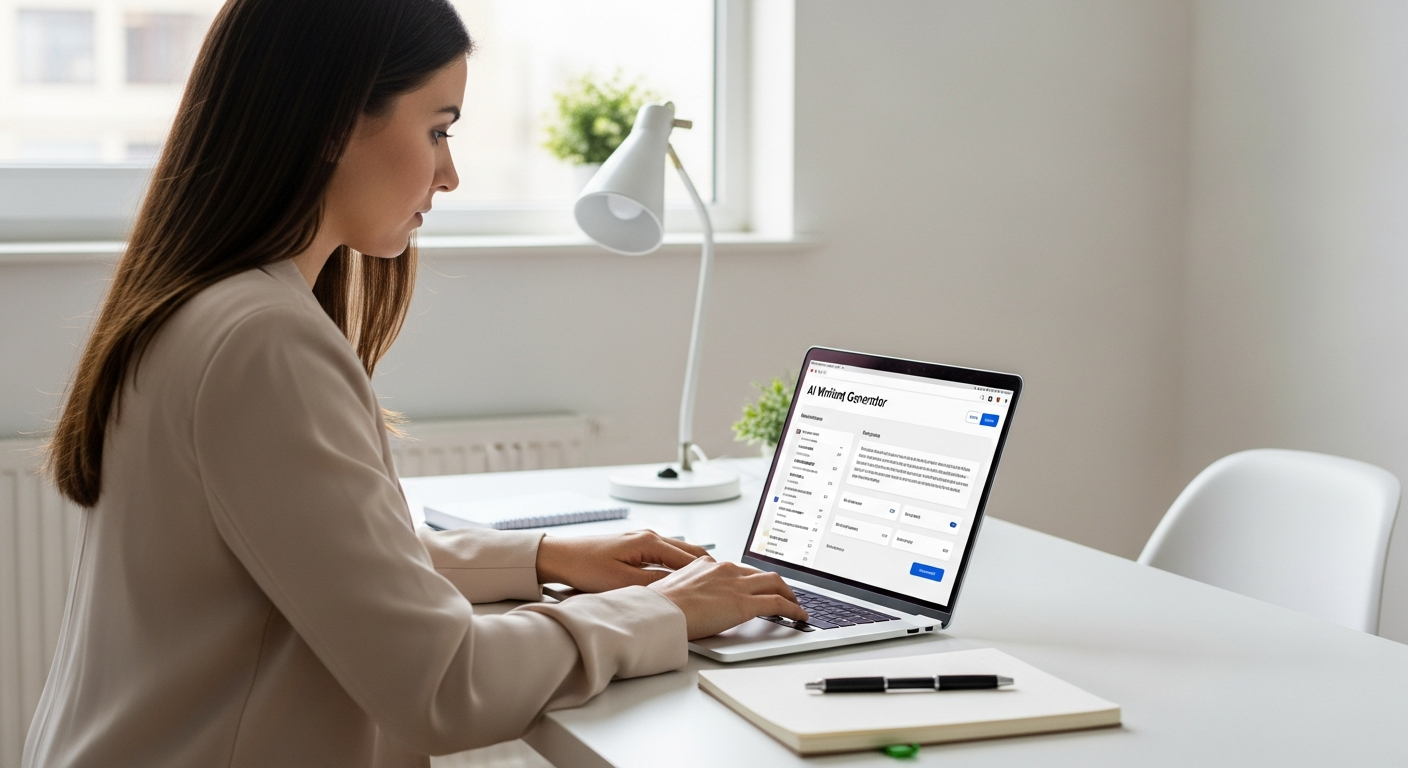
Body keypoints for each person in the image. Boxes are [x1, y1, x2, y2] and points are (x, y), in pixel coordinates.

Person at [23, 1, 807, 766]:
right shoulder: (262, 339)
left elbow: (326, 561)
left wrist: (543, 557)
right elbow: (441, 683)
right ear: (334, 121)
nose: (451, 173)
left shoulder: (203, 306)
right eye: (438, 130)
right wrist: (663, 610)